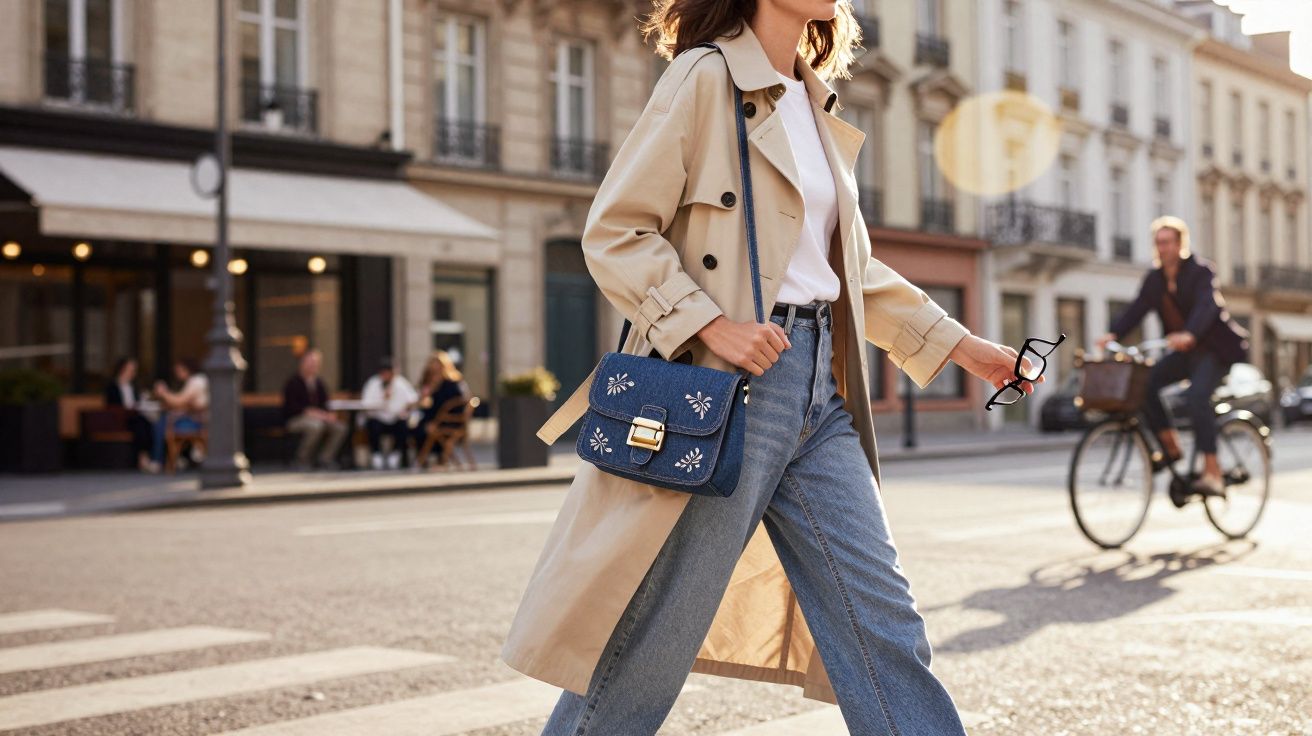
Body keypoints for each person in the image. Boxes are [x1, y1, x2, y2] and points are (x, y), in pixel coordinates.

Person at [500, 4, 1043, 734]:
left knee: (881, 624)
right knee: (653, 635)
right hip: (730, 396)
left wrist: (959, 345)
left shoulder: (814, 100)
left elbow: (845, 268)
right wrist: (710, 325)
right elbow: (618, 230)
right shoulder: (706, 76)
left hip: (822, 394)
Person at [1096, 216, 1250, 501]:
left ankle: (1213, 471)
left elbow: (1207, 305)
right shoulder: (1155, 279)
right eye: (1158, 242)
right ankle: (1170, 447)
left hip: (1214, 351)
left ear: (1180, 243)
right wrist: (1112, 333)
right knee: (1145, 385)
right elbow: (1137, 308)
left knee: (1196, 398)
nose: (1162, 248)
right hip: (1184, 353)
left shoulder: (1201, 271)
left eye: (1167, 242)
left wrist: (1190, 333)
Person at [281, 348, 349, 470]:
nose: (313, 366)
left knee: (340, 427)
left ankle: (325, 459)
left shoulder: (319, 383)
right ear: (302, 363)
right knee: (316, 426)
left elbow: (325, 403)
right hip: (295, 419)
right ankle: (302, 459)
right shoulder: (293, 382)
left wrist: (329, 415)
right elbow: (292, 407)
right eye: (310, 363)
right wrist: (311, 413)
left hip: (319, 418)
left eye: (316, 363)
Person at [360, 356, 419, 469]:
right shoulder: (373, 383)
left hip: (395, 419)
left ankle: (395, 454)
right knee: (373, 425)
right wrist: (383, 398)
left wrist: (406, 409)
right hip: (378, 419)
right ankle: (376, 455)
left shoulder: (401, 383)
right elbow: (366, 404)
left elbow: (413, 399)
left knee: (403, 424)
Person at [413, 350, 470, 465]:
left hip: (448, 420)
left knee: (426, 429)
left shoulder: (452, 384)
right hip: (432, 417)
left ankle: (436, 457)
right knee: (413, 428)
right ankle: (424, 458)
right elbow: (425, 404)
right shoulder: (427, 382)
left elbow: (457, 405)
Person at [150, 358, 209, 470]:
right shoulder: (196, 380)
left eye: (178, 371)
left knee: (161, 424)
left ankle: (157, 460)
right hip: (198, 420)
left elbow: (179, 401)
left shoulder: (196, 381)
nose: (177, 374)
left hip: (198, 423)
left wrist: (163, 393)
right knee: (162, 422)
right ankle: (172, 459)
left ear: (186, 369)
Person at [104, 357, 155, 472]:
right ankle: (143, 458)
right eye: (131, 370)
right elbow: (111, 406)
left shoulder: (134, 386)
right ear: (123, 369)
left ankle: (145, 457)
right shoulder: (112, 386)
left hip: (134, 416)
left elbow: (138, 403)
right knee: (141, 424)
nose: (133, 373)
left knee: (147, 423)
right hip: (119, 418)